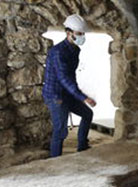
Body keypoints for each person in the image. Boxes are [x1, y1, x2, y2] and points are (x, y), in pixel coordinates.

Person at [42, 14, 96, 158]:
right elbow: (63, 78)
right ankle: (55, 161)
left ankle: (82, 147)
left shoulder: (76, 50)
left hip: (67, 93)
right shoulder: (58, 52)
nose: (82, 36)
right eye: (79, 34)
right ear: (68, 33)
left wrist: (77, 94)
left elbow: (71, 76)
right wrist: (83, 97)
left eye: (82, 34)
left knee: (87, 114)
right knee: (60, 130)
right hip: (55, 95)